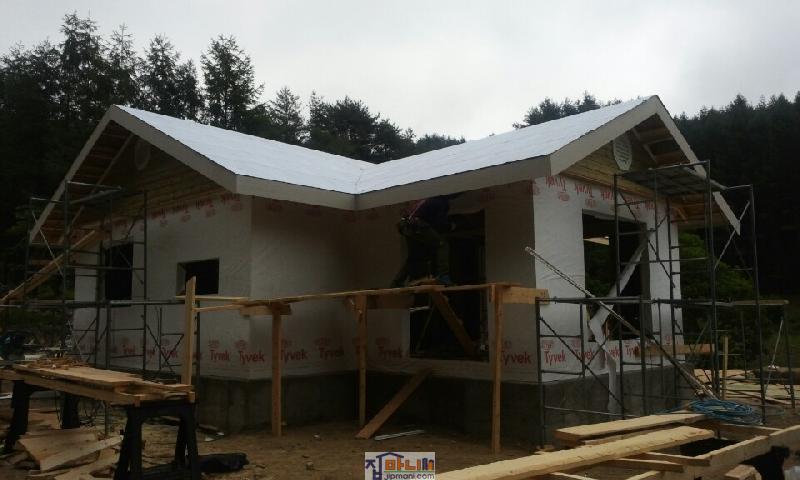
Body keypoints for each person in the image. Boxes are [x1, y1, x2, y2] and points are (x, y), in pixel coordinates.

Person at [391, 195, 453, 287]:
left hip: (408, 226)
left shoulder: (428, 200)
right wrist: (450, 226)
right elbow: (440, 223)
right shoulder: (442, 202)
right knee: (442, 245)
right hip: (417, 225)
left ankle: (397, 282)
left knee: (414, 255)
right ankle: (443, 275)